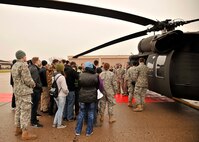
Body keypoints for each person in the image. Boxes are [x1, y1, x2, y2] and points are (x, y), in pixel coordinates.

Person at [11, 50, 37, 140]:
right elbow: (27, 79)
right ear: (22, 57)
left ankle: (18, 129)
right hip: (24, 92)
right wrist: (33, 84)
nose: (26, 57)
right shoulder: (23, 65)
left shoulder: (14, 65)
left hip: (17, 91)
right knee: (25, 111)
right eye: (25, 56)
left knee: (18, 110)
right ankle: (25, 133)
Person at [75, 62, 99, 136]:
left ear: (85, 67)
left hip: (82, 96)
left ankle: (78, 131)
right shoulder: (95, 75)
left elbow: (78, 85)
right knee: (91, 113)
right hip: (92, 96)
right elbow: (97, 86)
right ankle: (89, 131)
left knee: (81, 113)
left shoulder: (80, 75)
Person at [52, 63, 69, 128]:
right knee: (60, 110)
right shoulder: (62, 77)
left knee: (59, 109)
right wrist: (67, 92)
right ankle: (59, 124)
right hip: (61, 95)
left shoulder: (54, 76)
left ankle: (54, 123)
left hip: (55, 94)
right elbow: (64, 88)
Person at [29, 57, 43, 127]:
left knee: (34, 106)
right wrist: (40, 86)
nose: (40, 62)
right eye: (39, 60)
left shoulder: (32, 67)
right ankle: (33, 122)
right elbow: (34, 81)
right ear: (36, 62)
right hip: (36, 90)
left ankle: (34, 119)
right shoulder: (34, 69)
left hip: (34, 90)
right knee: (34, 106)